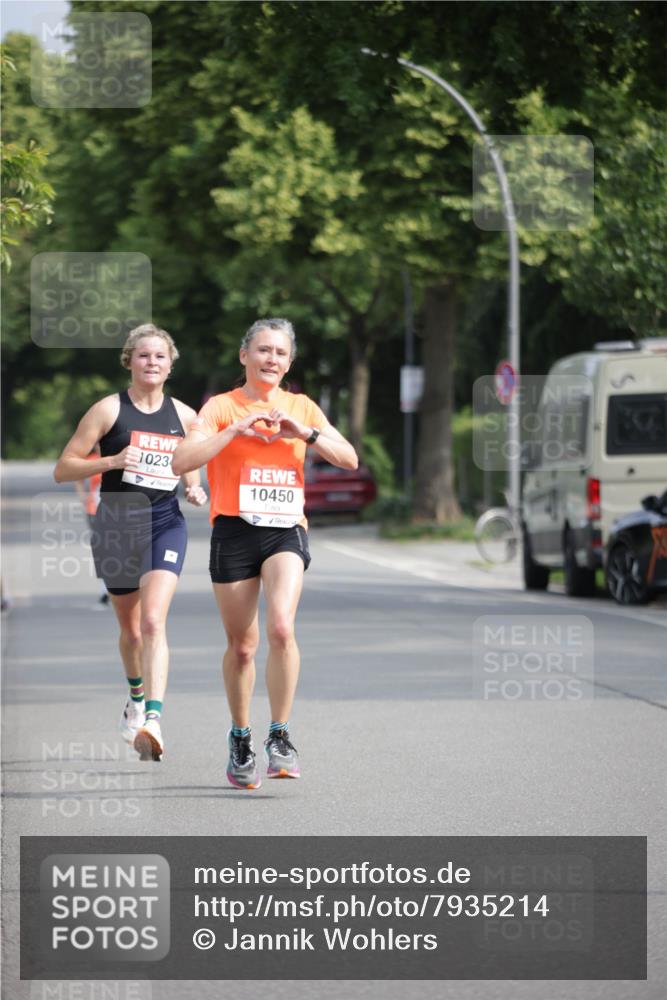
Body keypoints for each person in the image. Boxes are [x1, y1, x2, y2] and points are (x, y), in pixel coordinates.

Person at [172, 317, 357, 789]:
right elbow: (182, 462)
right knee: (242, 645)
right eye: (262, 350)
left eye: (279, 353)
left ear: (288, 362)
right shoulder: (219, 407)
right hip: (233, 529)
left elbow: (349, 458)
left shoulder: (301, 406)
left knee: (280, 626)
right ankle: (240, 737)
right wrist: (233, 431)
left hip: (284, 530)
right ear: (244, 356)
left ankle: (279, 735)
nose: (271, 359)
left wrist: (305, 433)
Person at [54, 323, 207, 761]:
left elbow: (188, 465)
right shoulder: (107, 410)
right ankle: (136, 696)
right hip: (117, 525)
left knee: (154, 622)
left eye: (160, 356)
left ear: (171, 363)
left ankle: (154, 718)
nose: (152, 363)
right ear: (130, 361)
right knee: (131, 629)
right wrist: (112, 460)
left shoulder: (185, 416)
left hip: (164, 522)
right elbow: (63, 469)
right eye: (144, 356)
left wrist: (194, 488)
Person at [74, 444, 109, 605]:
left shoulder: (119, 457)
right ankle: (104, 587)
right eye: (97, 443)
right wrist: (83, 497)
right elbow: (78, 478)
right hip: (94, 510)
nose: (99, 446)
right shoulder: (91, 460)